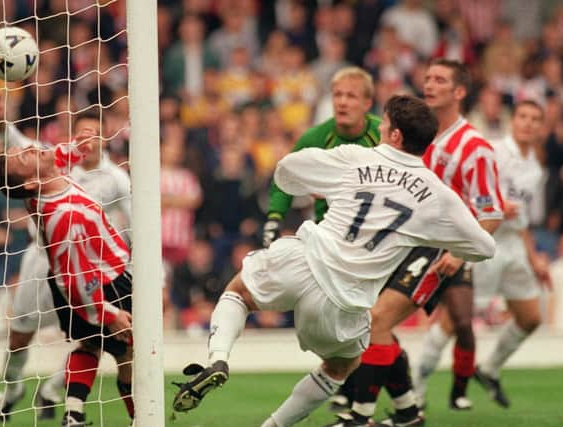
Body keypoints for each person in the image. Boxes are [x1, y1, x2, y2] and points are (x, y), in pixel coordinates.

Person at [171, 95, 496, 427]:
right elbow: (484, 247)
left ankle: (219, 358)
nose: (379, 127)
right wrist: (438, 238)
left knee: (238, 292)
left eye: (383, 123)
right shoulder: (439, 196)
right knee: (341, 367)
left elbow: (286, 170)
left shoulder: (355, 157)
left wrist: (319, 186)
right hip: (345, 299)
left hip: (306, 259)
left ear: (396, 135)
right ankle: (273, 426)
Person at [329, 59, 504, 427]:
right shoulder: (414, 133)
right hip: (399, 245)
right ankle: (408, 413)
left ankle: (360, 418)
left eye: (440, 80)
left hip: (436, 251)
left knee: (375, 320)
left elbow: (491, 212)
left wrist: (457, 254)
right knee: (374, 324)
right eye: (427, 78)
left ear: (458, 92)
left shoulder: (474, 147)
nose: (429, 85)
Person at [0, 110, 132, 421]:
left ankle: (73, 411)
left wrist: (79, 146)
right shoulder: (65, 216)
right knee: (131, 355)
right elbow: (77, 281)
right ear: (30, 181)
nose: (31, 148)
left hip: (71, 278)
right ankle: (141, 417)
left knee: (90, 345)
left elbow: (56, 154)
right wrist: (109, 313)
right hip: (101, 283)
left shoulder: (49, 178)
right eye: (23, 157)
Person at [415, 100, 552, 409]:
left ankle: (488, 370)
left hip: (514, 246)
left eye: (534, 119)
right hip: (483, 241)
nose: (528, 123)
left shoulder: (535, 168)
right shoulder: (492, 151)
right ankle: (417, 389)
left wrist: (534, 258)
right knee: (454, 322)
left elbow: (523, 220)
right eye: (523, 116)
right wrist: (497, 207)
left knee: (531, 317)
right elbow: (468, 193)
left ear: (541, 127)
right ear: (512, 120)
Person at [263, 66, 380, 248]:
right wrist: (274, 218)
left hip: (375, 233)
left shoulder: (384, 135)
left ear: (368, 103)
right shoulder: (316, 137)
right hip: (326, 235)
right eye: (337, 95)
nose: (342, 102)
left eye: (351, 96)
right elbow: (284, 177)